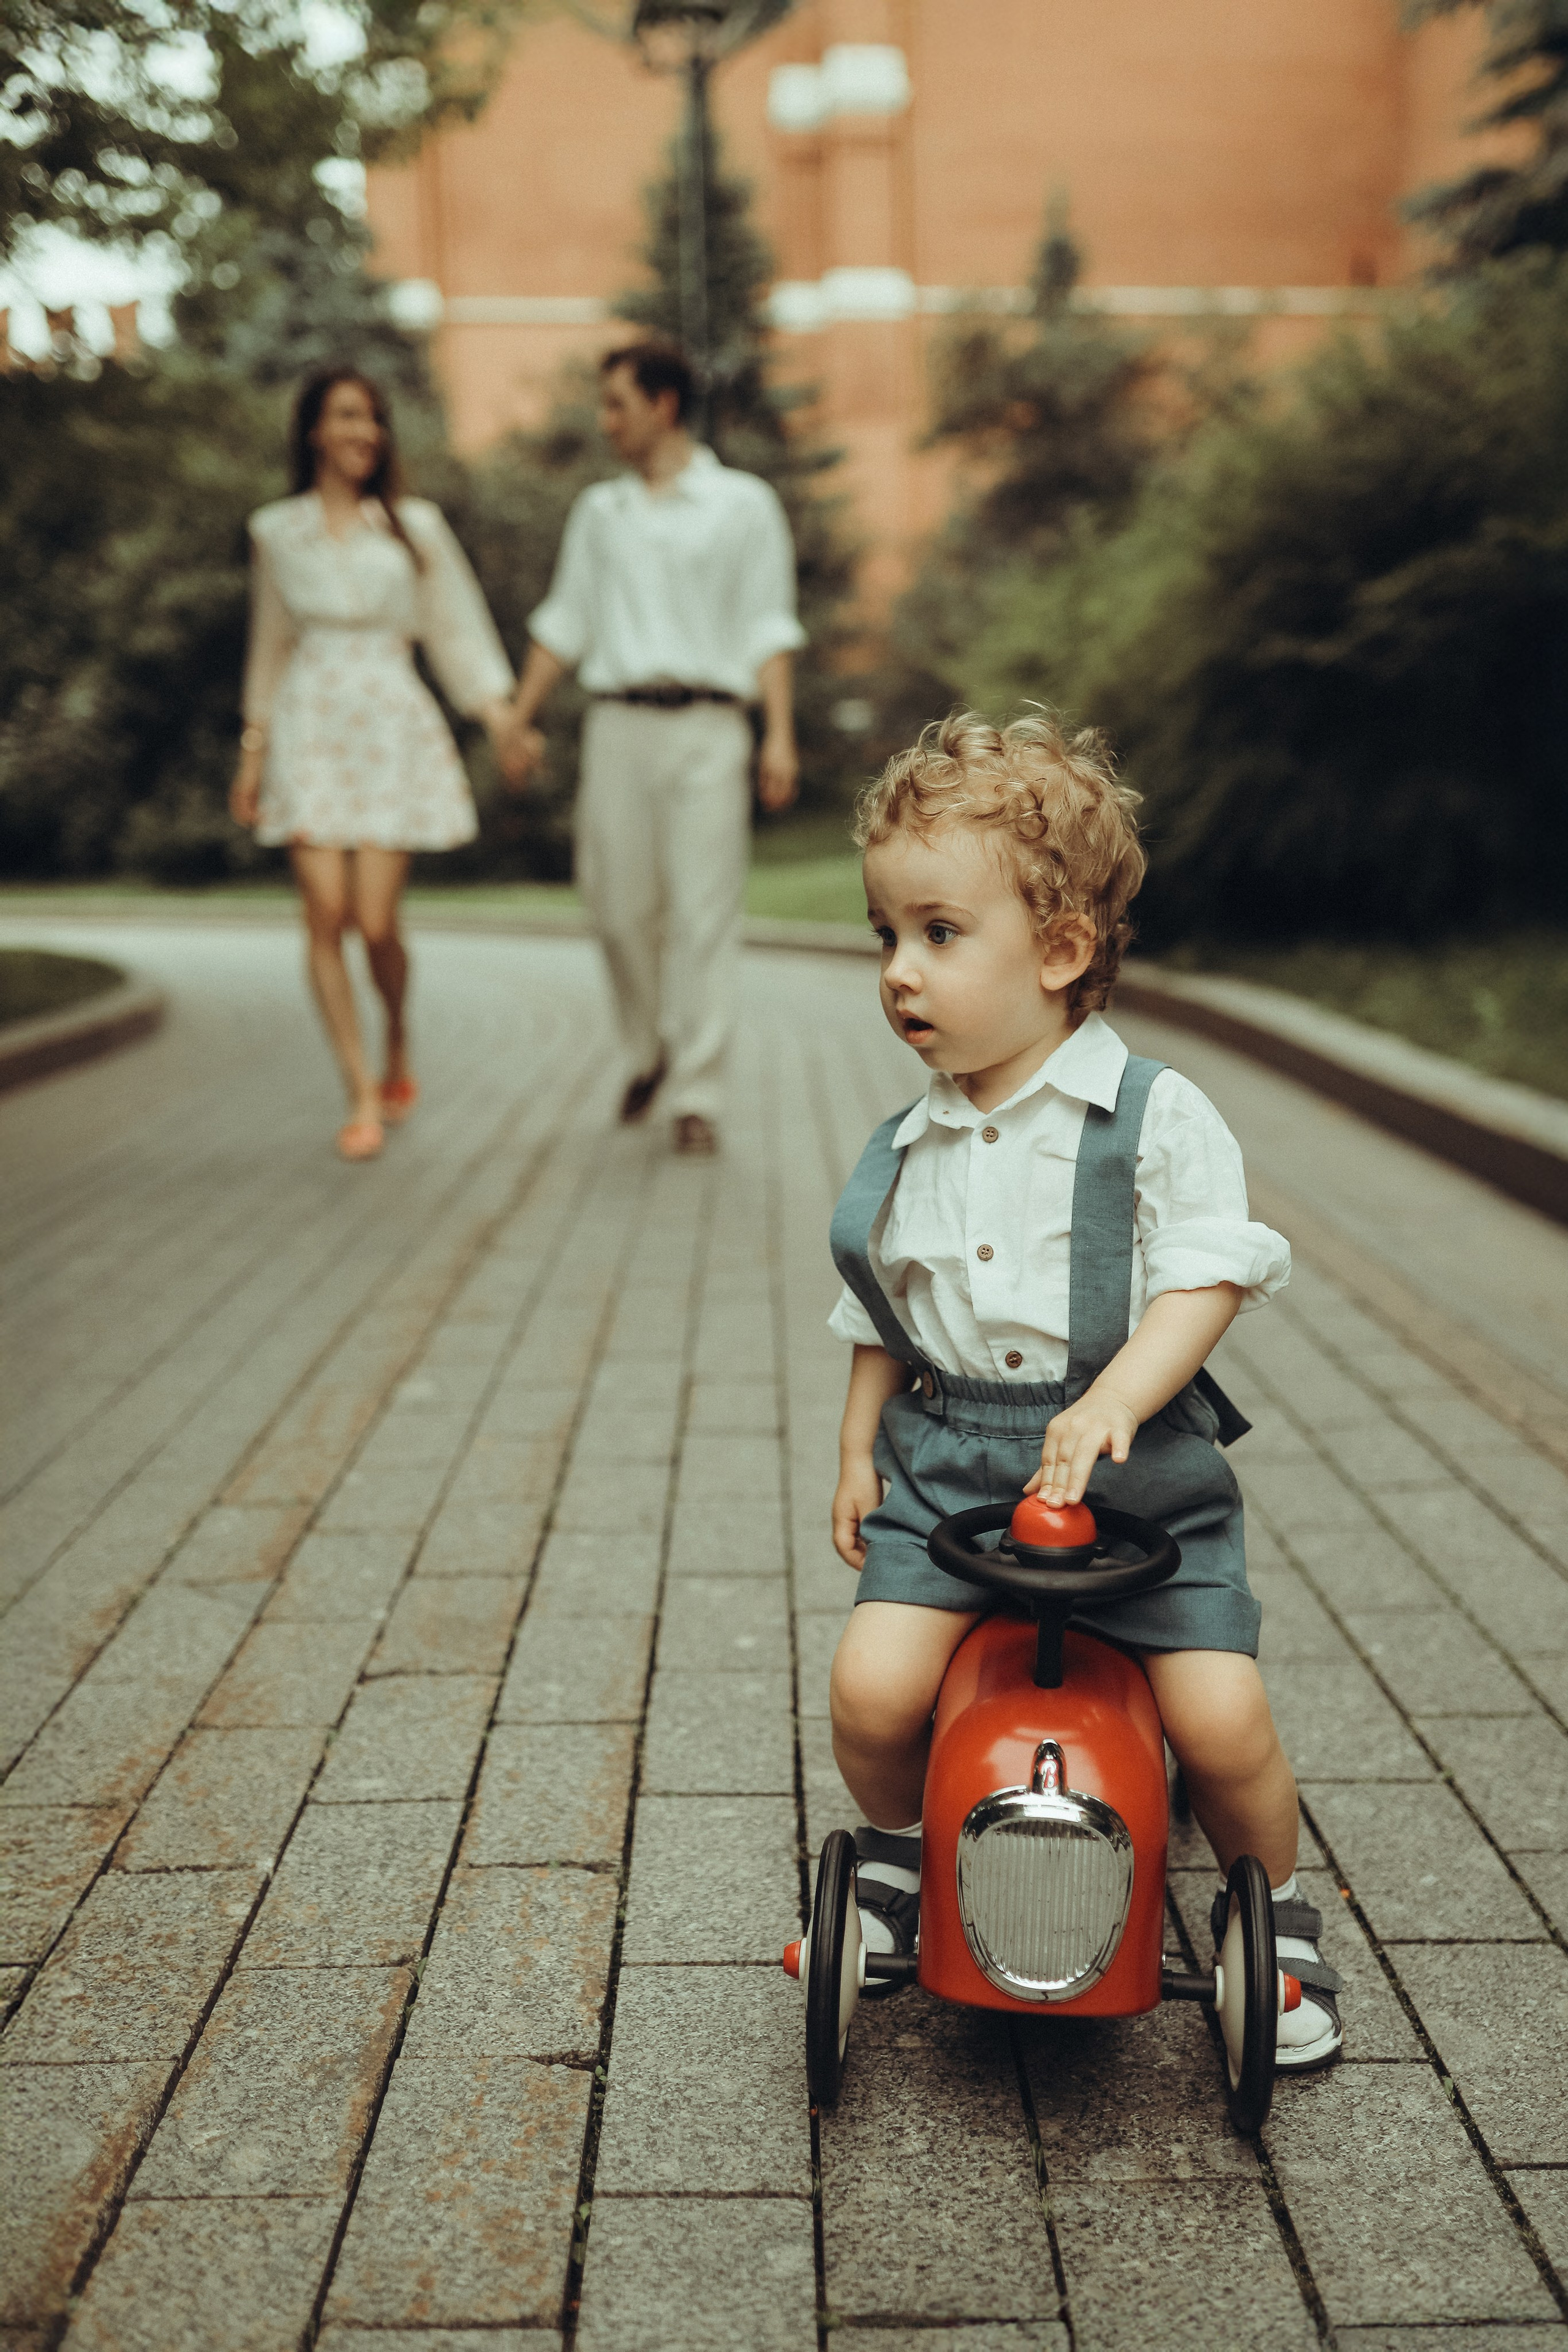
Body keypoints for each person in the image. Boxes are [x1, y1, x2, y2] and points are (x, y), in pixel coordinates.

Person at [826, 709, 1343, 2071]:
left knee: (1215, 1711)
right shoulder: (913, 1136)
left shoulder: (1152, 1115)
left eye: (938, 934)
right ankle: (893, 1862)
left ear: (1057, 953)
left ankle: (1273, 1913)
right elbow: (884, 1308)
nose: (898, 971)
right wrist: (854, 1449)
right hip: (948, 1466)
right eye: (885, 935)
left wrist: (1122, 1393)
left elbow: (1204, 1275)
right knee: (872, 1688)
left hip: (1133, 1471)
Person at [501, 341, 805, 1155]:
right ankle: (648, 1051)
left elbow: (767, 622)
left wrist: (778, 733)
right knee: (615, 908)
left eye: (616, 405)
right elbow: (564, 622)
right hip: (618, 727)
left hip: (711, 727)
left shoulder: (743, 505)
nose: (606, 422)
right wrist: (519, 718)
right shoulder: (602, 514)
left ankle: (697, 1094)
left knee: (704, 914)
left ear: (664, 405)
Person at [231, 366, 515, 1161]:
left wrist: (496, 714)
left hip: (390, 720)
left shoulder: (413, 527)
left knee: (376, 920)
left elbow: (455, 628)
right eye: (348, 417)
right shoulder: (275, 530)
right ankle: (358, 1090)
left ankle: (395, 1031)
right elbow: (271, 644)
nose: (365, 432)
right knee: (325, 915)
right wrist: (252, 751)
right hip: (309, 722)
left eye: (374, 419)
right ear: (315, 430)